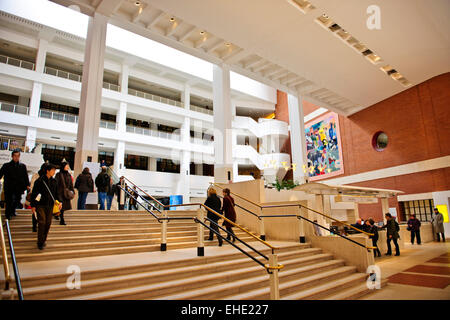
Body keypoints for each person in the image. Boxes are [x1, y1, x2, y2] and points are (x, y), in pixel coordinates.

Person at [29, 164, 62, 250]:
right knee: (42, 222)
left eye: (55, 170)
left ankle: (43, 240)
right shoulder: (40, 181)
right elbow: (34, 194)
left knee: (48, 223)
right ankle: (40, 242)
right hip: (41, 205)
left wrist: (59, 202)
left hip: (50, 205)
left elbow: (56, 193)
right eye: (53, 170)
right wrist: (33, 205)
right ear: (48, 171)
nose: (54, 172)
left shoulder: (54, 181)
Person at [0, 149, 30, 219]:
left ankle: (12, 211)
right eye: (15, 156)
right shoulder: (6, 166)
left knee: (17, 200)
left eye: (18, 156)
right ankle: (8, 214)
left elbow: (25, 176)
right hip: (9, 187)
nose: (16, 157)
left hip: (18, 188)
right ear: (12, 156)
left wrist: (27, 185)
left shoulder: (22, 166)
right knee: (9, 201)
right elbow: (0, 174)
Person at [26, 163, 47, 232]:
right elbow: (32, 187)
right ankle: (34, 226)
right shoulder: (36, 175)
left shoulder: (47, 177)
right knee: (35, 211)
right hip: (36, 196)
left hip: (44, 197)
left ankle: (39, 225)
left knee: (42, 212)